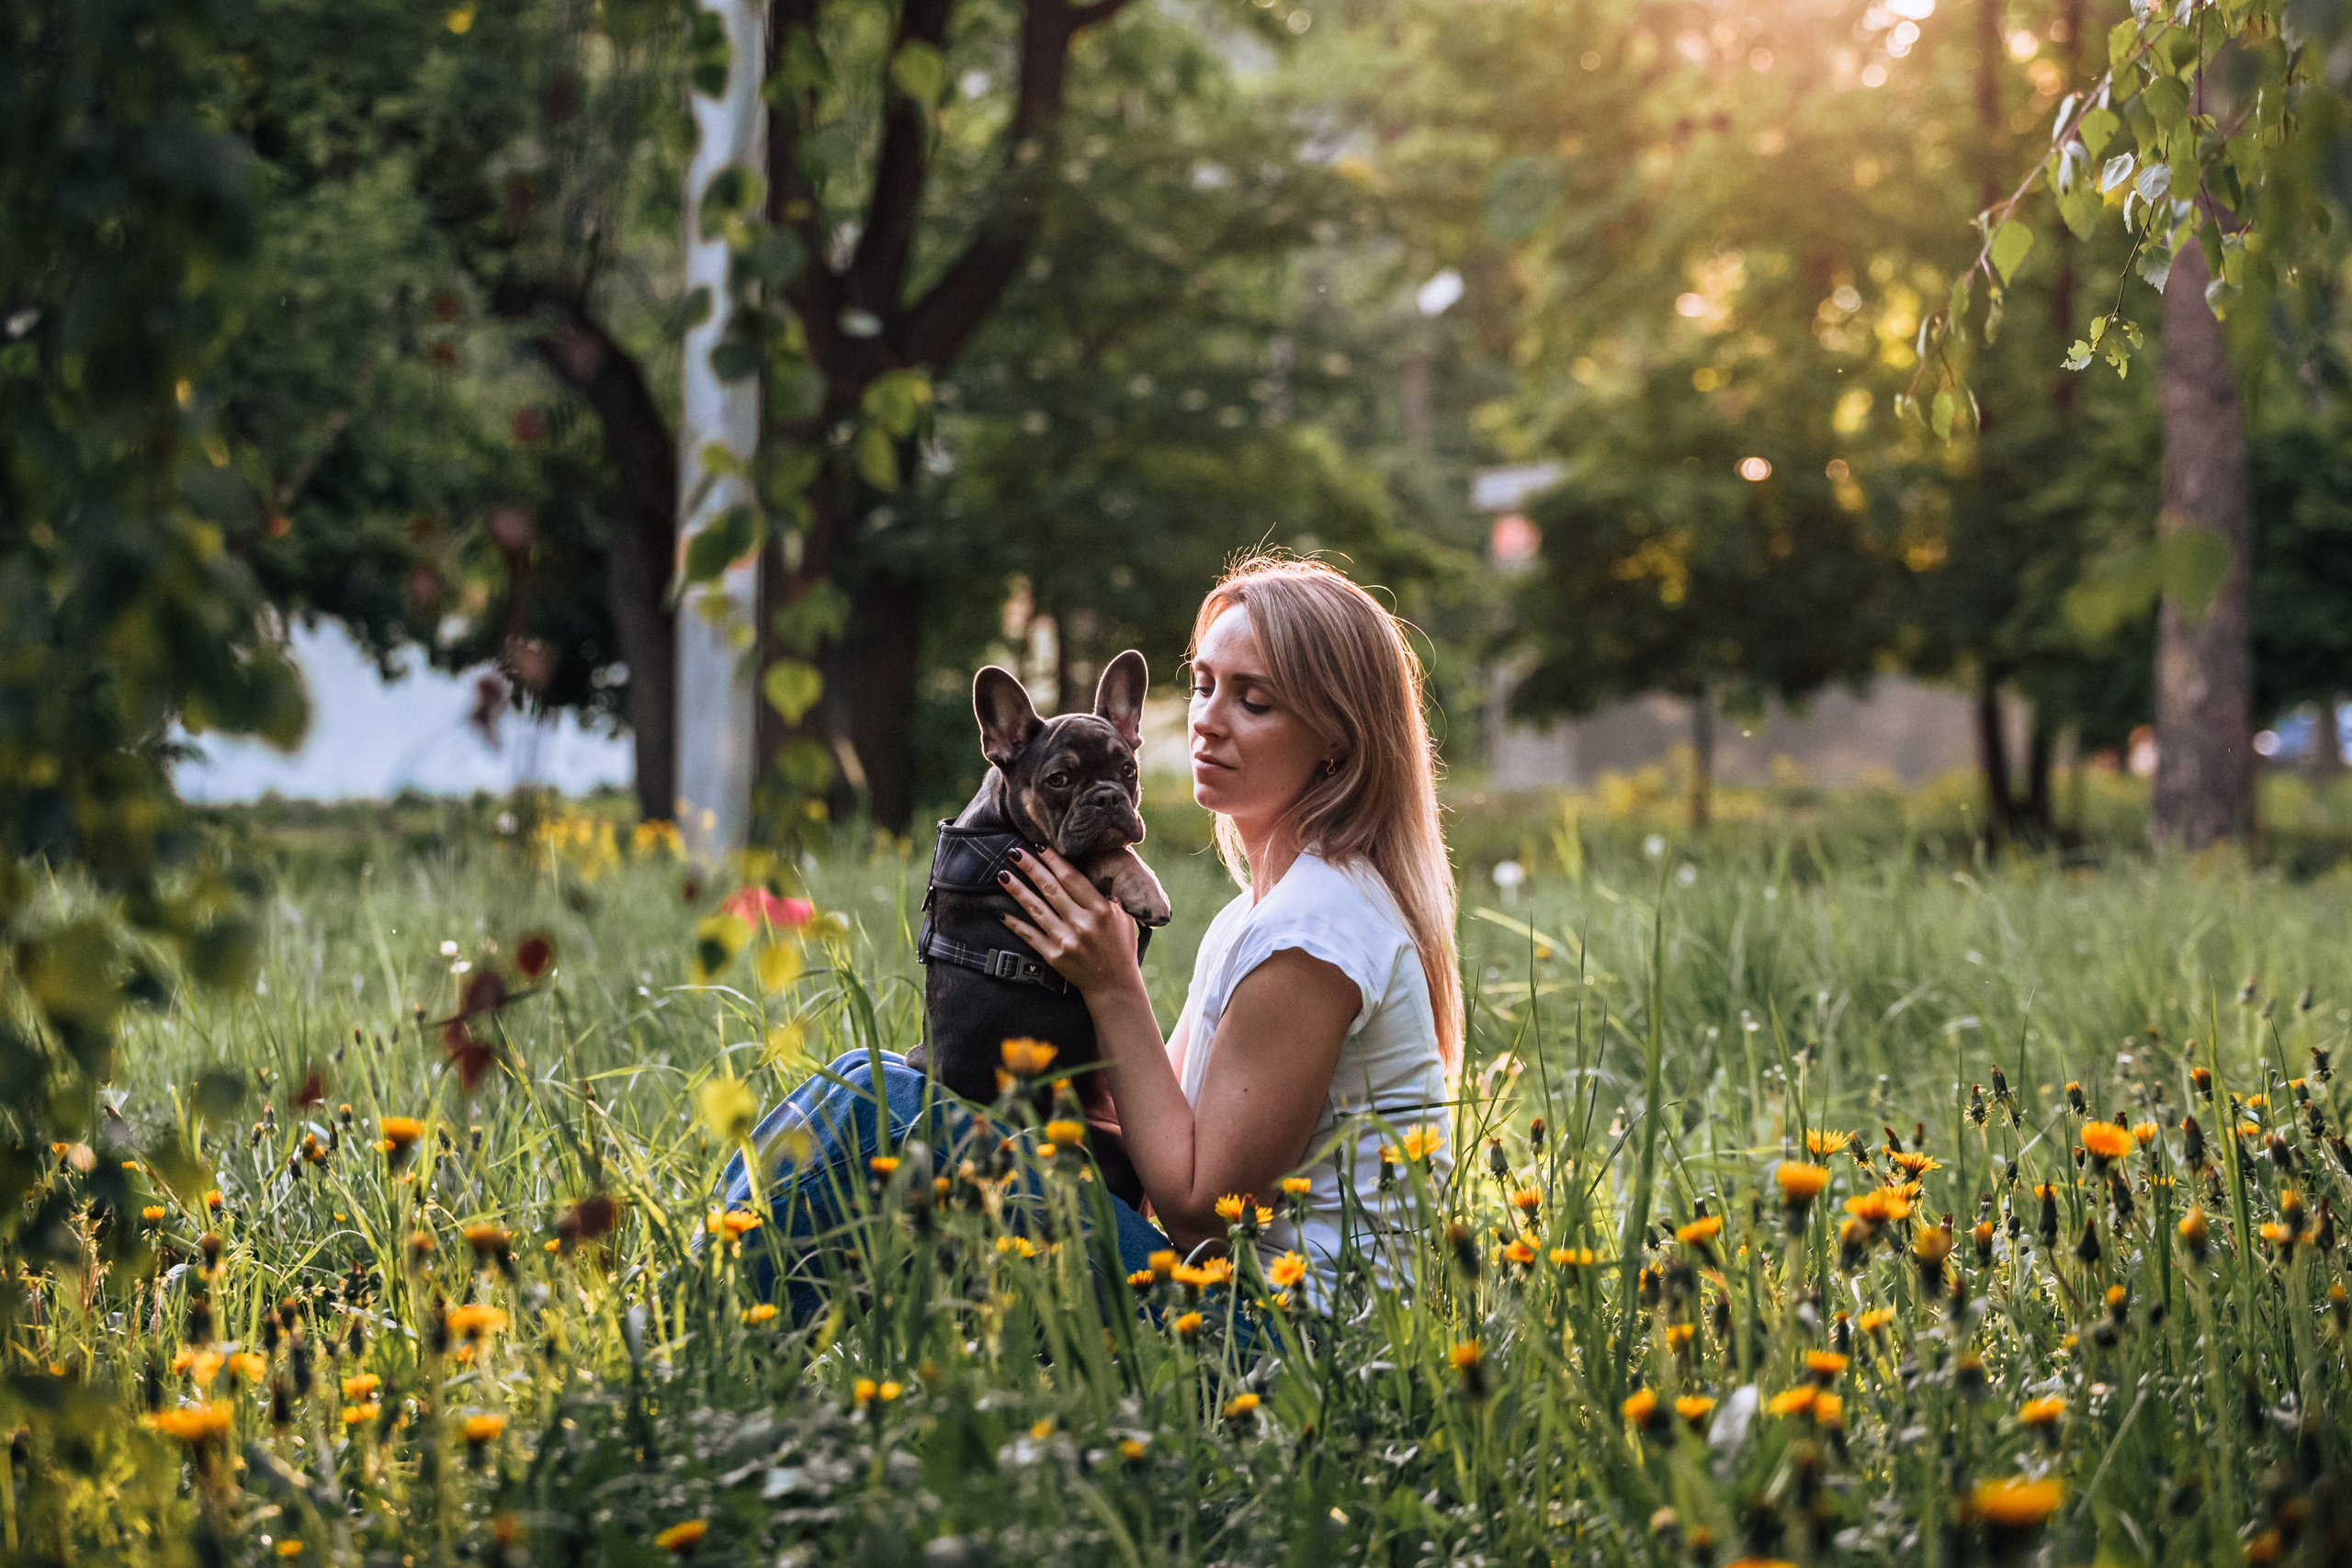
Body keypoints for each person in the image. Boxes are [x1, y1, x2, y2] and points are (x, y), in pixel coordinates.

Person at [718, 553, 1461, 1312]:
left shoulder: (1317, 928)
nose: (1206, 718)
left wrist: (1112, 983)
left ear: (1335, 735)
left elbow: (1207, 1218)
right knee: (875, 1077)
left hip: (1278, 1341)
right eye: (1203, 685)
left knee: (873, 1107)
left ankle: (709, 1316)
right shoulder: (1260, 912)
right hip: (1222, 1300)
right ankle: (736, 1307)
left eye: (1254, 701)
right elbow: (1146, 1131)